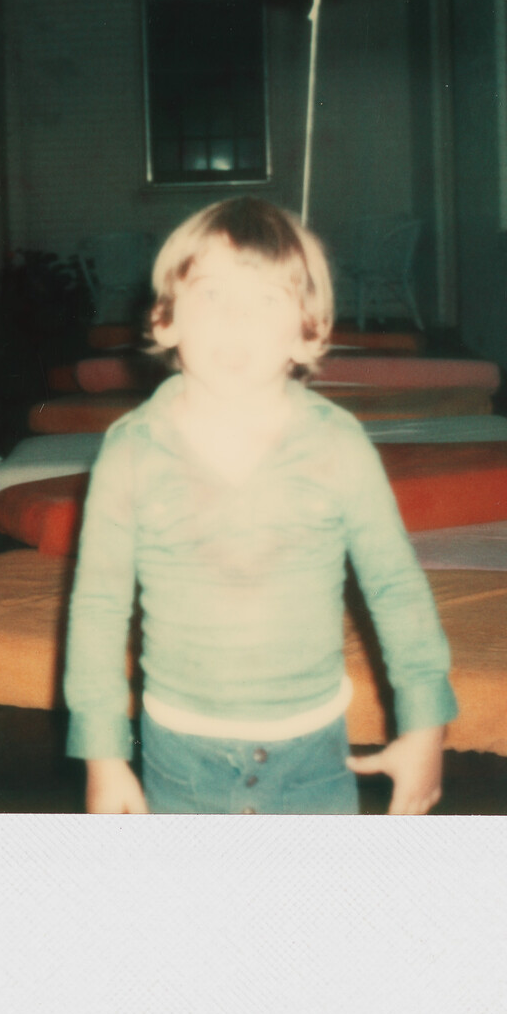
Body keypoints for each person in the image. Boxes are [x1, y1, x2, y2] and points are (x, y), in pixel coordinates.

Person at [63, 197, 458, 815]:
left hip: (314, 757)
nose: (236, 323)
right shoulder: (131, 451)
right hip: (179, 754)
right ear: (166, 318)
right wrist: (104, 759)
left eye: (266, 301)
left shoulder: (339, 444)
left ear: (309, 333)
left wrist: (425, 729)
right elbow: (97, 608)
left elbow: (396, 587)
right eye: (213, 295)